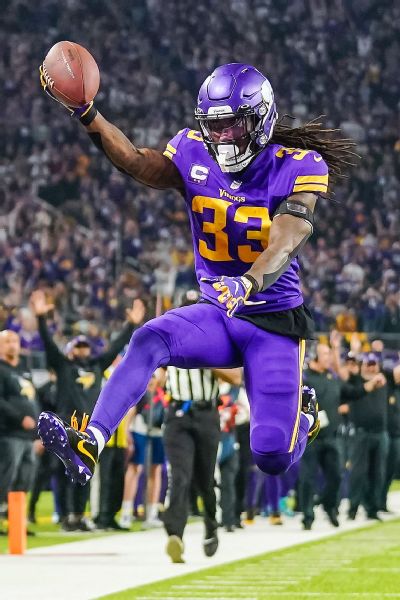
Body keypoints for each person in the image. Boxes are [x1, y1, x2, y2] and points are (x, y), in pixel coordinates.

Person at [38, 61, 355, 488]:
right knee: (148, 339)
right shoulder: (192, 151)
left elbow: (288, 235)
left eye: (233, 124)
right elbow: (134, 161)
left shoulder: (298, 165)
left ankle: (307, 419)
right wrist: (88, 113)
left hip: (273, 323)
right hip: (219, 312)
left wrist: (248, 281)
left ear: (260, 119)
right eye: (214, 125)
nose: (223, 136)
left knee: (271, 455)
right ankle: (89, 441)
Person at [31, 290, 145, 530]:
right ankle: (65, 516)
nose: (82, 350)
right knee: (62, 472)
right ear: (71, 349)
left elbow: (115, 348)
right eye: (78, 347)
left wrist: (131, 325)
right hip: (64, 426)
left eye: (85, 347)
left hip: (87, 427)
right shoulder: (64, 366)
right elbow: (49, 345)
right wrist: (41, 319)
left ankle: (79, 516)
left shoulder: (96, 365)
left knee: (84, 472)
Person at [162, 360, 241, 563]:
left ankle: (211, 525)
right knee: (179, 476)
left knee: (205, 480)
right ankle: (175, 535)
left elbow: (235, 377)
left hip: (206, 413)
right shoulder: (170, 341)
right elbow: (156, 369)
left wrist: (204, 359)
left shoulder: (212, 345)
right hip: (177, 414)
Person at [0, 330, 40, 533]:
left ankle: (16, 523)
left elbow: (33, 401)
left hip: (28, 436)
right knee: (5, 477)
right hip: (8, 433)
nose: (12, 345)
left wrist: (39, 433)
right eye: (7, 341)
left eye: (15, 341)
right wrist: (18, 418)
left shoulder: (24, 370)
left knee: (25, 478)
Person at [345, 353, 389, 520]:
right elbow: (346, 373)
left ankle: (373, 509)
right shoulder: (356, 382)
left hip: (380, 434)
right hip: (361, 433)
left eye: (373, 364)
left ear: (378, 366)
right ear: (361, 366)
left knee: (377, 474)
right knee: (358, 473)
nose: (371, 368)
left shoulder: (384, 381)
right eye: (367, 364)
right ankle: (353, 508)